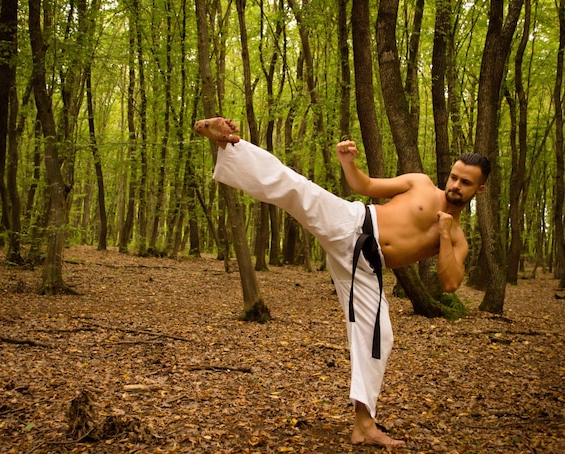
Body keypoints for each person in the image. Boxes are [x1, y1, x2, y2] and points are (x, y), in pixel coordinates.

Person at [193, 117, 490, 448]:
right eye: (453, 176)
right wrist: (348, 163)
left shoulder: (458, 238)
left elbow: (450, 283)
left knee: (380, 336)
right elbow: (365, 186)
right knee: (297, 188)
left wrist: (446, 235)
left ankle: (364, 425)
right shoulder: (419, 183)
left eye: (465, 182)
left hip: (365, 268)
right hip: (353, 224)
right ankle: (227, 143)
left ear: (479, 189)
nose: (455, 185)